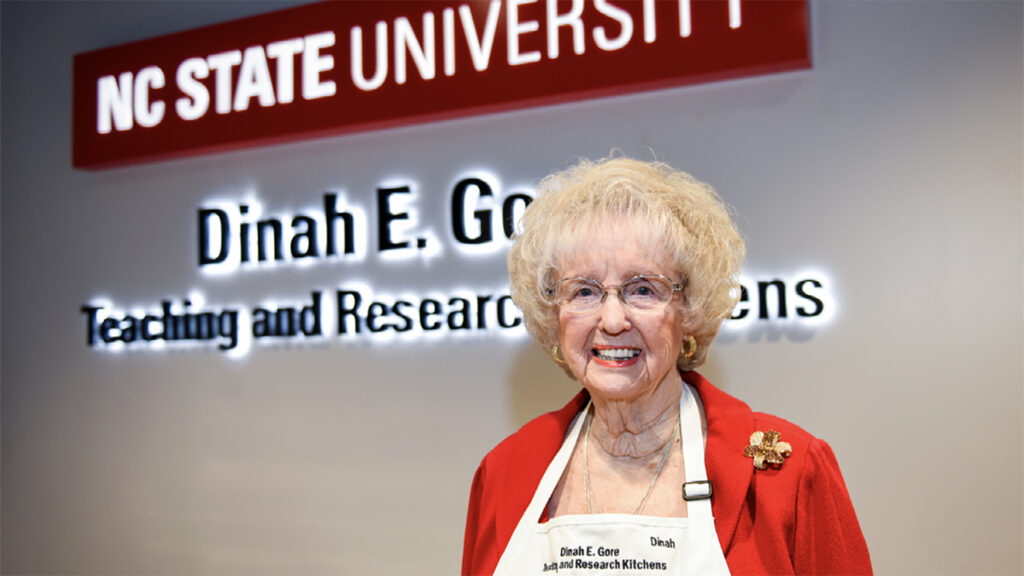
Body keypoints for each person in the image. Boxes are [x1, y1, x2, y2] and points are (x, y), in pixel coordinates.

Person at [461, 157, 871, 575]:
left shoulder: (789, 473)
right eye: (584, 291)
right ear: (556, 315)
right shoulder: (504, 471)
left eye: (643, 289)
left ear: (687, 309)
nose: (613, 321)